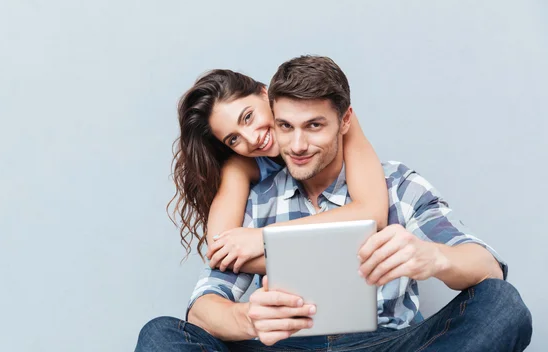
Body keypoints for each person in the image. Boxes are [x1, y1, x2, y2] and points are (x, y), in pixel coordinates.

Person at [137, 55, 533, 351]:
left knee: (502, 304)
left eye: (314, 126)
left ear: (344, 122)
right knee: (160, 333)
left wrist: (434, 258)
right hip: (288, 345)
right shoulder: (256, 194)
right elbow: (203, 305)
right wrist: (247, 318)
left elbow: (487, 268)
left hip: (384, 343)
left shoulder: (394, 184)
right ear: (275, 114)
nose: (296, 145)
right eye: (285, 126)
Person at [167, 65, 389, 278]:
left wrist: (264, 238)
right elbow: (221, 249)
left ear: (265, 94)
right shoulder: (241, 166)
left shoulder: (329, 118)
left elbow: (373, 211)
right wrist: (330, 258)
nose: (253, 139)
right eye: (233, 139)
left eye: (248, 117)